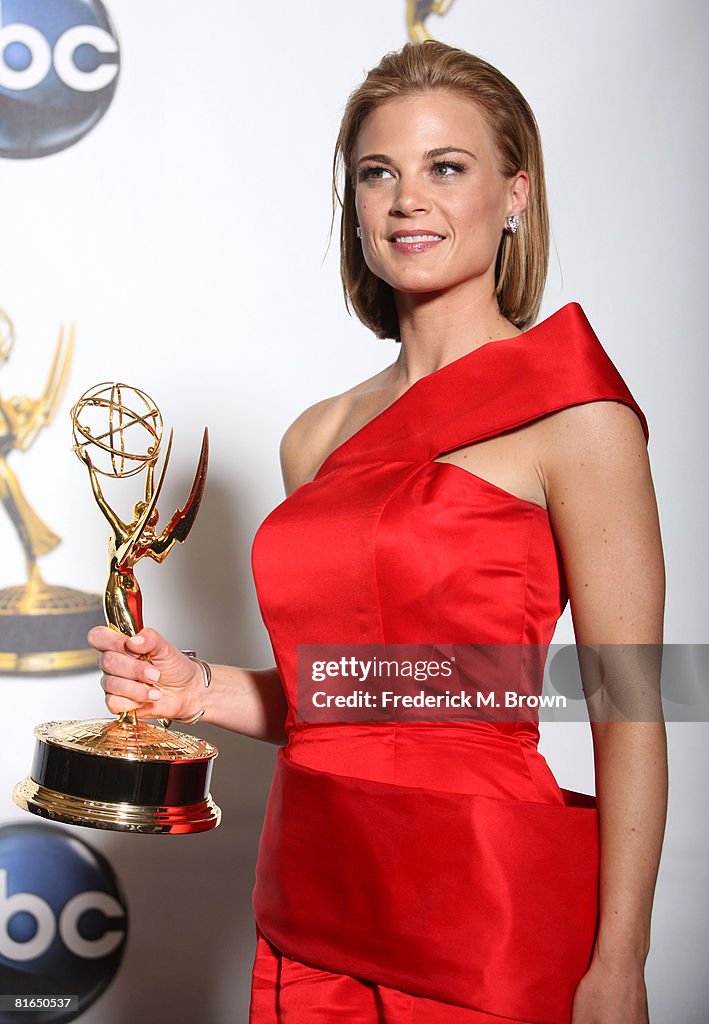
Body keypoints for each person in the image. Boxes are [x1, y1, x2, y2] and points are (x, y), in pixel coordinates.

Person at [88, 41, 667, 1024]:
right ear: (353, 206)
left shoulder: (577, 416)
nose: (408, 199)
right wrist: (201, 688)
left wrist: (618, 966)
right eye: (377, 173)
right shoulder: (313, 437)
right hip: (312, 903)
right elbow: (353, 695)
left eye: (446, 167)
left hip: (482, 913)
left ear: (514, 192)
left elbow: (629, 708)